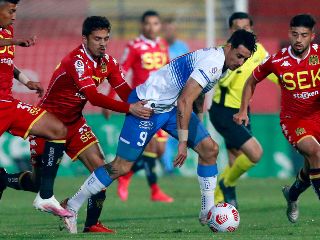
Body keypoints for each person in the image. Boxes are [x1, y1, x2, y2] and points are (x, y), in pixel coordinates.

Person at [60, 29, 257, 232]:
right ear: (229, 46)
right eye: (239, 56)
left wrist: (198, 123)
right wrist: (182, 142)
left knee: (209, 149)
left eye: (245, 59)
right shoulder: (213, 62)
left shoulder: (220, 62)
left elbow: (196, 94)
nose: (240, 63)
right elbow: (185, 100)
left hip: (169, 108)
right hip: (147, 107)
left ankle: (207, 213)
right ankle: (72, 205)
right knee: (121, 167)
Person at [1, 15, 152, 234]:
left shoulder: (108, 63)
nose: (102, 43)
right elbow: (93, 96)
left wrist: (140, 103)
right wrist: (129, 109)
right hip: (47, 123)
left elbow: (124, 90)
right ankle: (3, 178)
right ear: (85, 39)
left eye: (106, 39)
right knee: (36, 182)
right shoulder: (76, 61)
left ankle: (91, 224)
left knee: (101, 170)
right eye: (97, 39)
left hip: (74, 123)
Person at [233, 14, 319, 223]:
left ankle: (291, 195)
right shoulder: (277, 60)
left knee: (311, 167)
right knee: (316, 153)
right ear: (289, 33)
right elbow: (251, 81)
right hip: (294, 121)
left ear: (312, 37)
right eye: (295, 34)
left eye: (304, 35)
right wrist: (243, 110)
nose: (299, 40)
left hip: (317, 116)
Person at [0, 0, 72, 218]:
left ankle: (45, 196)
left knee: (58, 130)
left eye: (15, 11)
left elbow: (6, 61)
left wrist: (26, 80)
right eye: (10, 11)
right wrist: (15, 40)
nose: (14, 16)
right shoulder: (7, 36)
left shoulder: (7, 31)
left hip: (8, 104)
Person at [209, 12, 278, 208]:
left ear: (252, 29)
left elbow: (274, 73)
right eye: (237, 28)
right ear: (231, 31)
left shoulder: (259, 51)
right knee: (252, 154)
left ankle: (222, 203)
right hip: (224, 111)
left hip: (243, 110)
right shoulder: (226, 54)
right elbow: (218, 80)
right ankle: (221, 190)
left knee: (236, 160)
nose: (242, 31)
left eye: (246, 27)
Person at [116, 10, 173, 203]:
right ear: (142, 25)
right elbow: (120, 71)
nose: (151, 27)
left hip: (163, 103)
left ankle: (126, 174)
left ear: (159, 26)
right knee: (151, 147)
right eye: (148, 23)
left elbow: (168, 71)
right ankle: (155, 190)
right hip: (144, 103)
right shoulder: (134, 46)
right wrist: (110, 99)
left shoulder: (163, 45)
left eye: (155, 23)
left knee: (160, 152)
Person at [162, 17, 190, 174]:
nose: (170, 32)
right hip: (163, 97)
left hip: (180, 96)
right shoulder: (158, 48)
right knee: (162, 134)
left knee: (177, 132)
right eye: (167, 29)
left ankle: (169, 164)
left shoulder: (182, 47)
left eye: (172, 29)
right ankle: (167, 167)